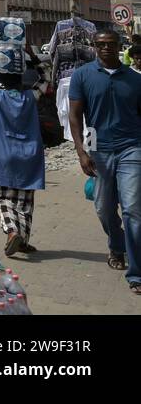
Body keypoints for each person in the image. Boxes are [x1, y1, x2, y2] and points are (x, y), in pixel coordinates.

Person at [69, 29, 141, 295]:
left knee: (133, 209)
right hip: (98, 149)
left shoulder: (135, 80)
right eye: (101, 45)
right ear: (94, 47)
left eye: (111, 44)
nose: (106, 49)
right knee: (103, 208)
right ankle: (116, 246)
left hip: (132, 149)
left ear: (118, 46)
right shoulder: (83, 76)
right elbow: (75, 116)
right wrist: (81, 152)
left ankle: (136, 273)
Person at [0, 40, 46, 257]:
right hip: (29, 155)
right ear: (22, 80)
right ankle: (22, 240)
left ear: (1, 81)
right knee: (25, 201)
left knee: (3, 197)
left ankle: (12, 230)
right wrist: (31, 55)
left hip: (2, 154)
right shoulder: (31, 96)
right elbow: (45, 79)